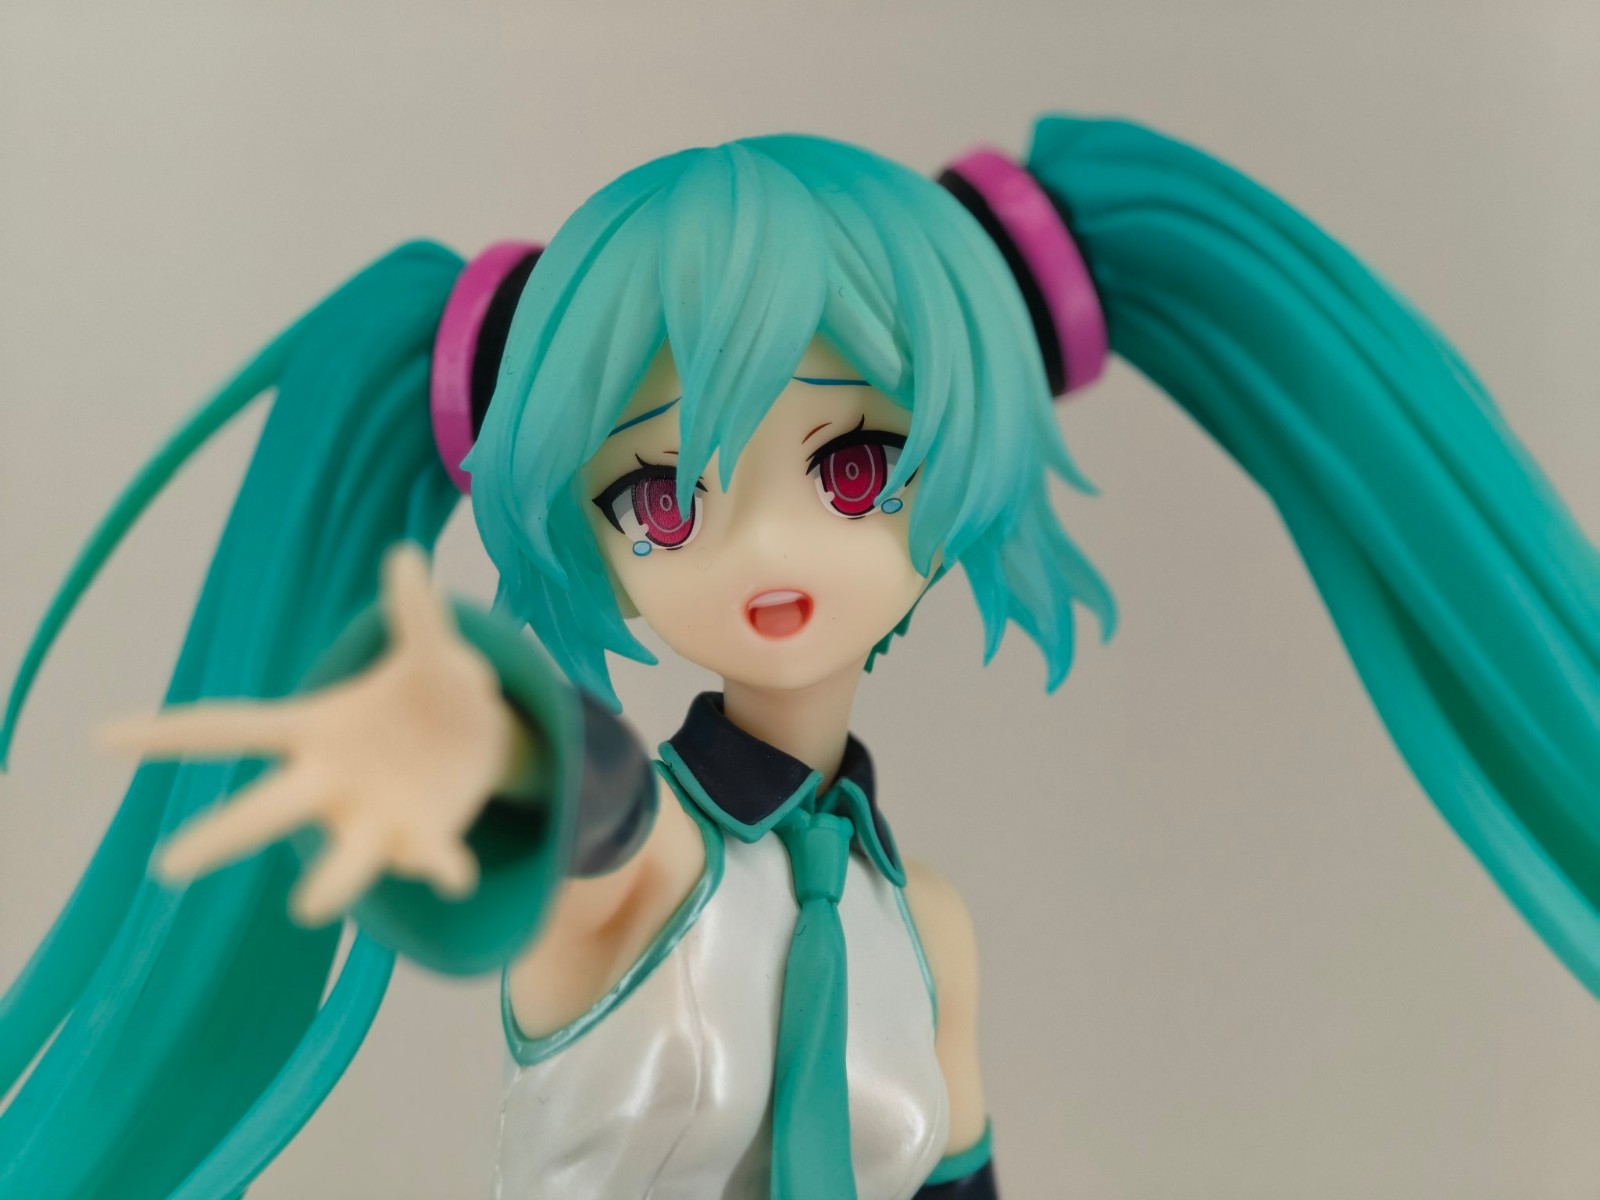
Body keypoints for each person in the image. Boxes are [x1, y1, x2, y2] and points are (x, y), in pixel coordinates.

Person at [3, 118, 1597, 1200]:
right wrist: (480, 740)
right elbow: (588, 806)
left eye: (854, 465)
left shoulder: (925, 930)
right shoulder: (639, 876)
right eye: (660, 493)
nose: (763, 550)